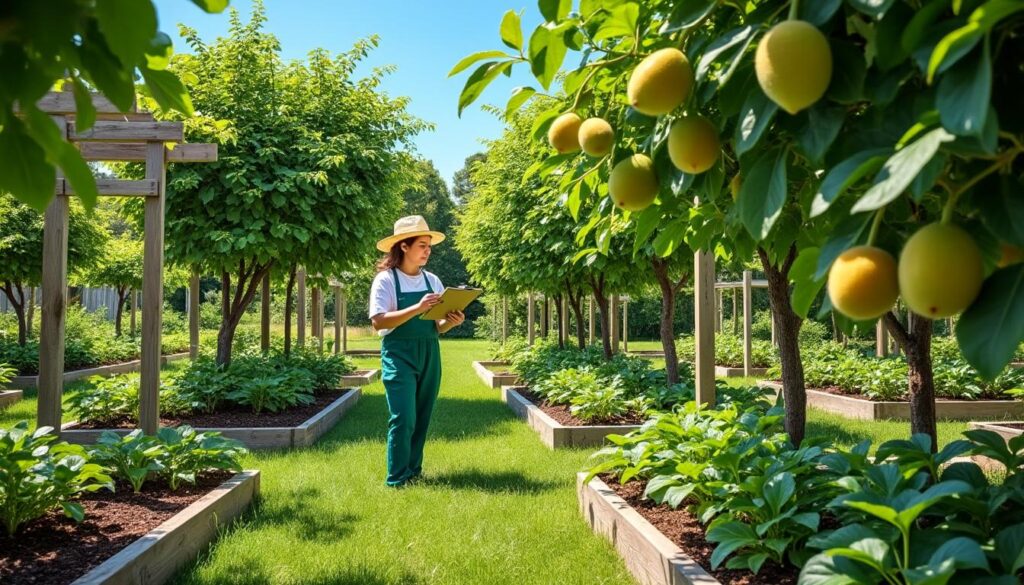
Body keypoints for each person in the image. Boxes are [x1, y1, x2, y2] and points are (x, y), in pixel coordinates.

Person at [369, 215, 465, 487]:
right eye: (422, 245)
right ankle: (397, 479)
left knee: (422, 416)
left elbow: (438, 326)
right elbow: (378, 321)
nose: (427, 251)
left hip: (429, 352)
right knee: (403, 416)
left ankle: (414, 472)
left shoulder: (432, 280)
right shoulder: (385, 280)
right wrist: (417, 308)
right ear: (403, 246)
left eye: (429, 246)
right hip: (398, 353)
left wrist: (451, 322)